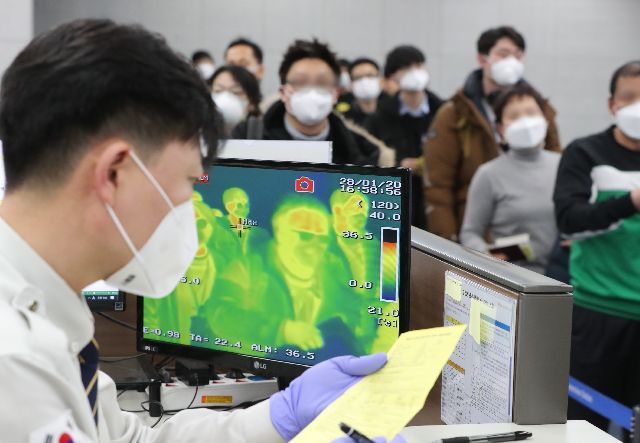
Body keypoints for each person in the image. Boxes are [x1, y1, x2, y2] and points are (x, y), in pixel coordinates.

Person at [0, 19, 401, 442]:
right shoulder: (15, 361)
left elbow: (130, 441)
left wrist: (278, 417)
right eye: (189, 183)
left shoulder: (49, 313)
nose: (191, 211)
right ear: (114, 173)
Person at [553, 60, 640, 434]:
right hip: (597, 313)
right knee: (584, 426)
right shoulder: (585, 153)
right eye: (629, 97)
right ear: (612, 104)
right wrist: (629, 202)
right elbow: (568, 220)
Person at [423, 26, 561, 241]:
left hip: (536, 232)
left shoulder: (541, 108)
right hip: (474, 231)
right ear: (483, 59)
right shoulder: (456, 113)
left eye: (518, 56)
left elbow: (556, 162)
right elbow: (438, 184)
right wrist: (447, 241)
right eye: (503, 54)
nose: (511, 62)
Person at [460, 83, 560, 274]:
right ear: (500, 128)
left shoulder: (564, 166)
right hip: (513, 278)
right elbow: (470, 233)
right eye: (514, 116)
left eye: (531, 113)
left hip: (564, 278)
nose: (525, 122)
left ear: (545, 119)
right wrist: (487, 255)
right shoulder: (488, 174)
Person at [232, 39, 379, 166]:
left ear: (335, 94)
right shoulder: (248, 136)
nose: (311, 91)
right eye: (300, 82)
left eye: (321, 83)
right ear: (283, 92)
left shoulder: (361, 151)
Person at [366, 45, 443, 229]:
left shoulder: (441, 112)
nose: (414, 72)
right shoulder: (380, 117)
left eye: (418, 66)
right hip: (396, 203)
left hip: (436, 201)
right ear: (392, 76)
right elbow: (368, 156)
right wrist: (398, 163)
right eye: (406, 68)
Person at [210, 65, 262, 136]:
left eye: (236, 92)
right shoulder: (198, 136)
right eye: (218, 90)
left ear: (252, 103)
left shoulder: (263, 136)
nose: (225, 98)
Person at [336, 57, 382, 127]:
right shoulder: (343, 119)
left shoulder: (393, 111)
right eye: (358, 78)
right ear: (351, 84)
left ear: (381, 79)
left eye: (370, 75)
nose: (365, 82)